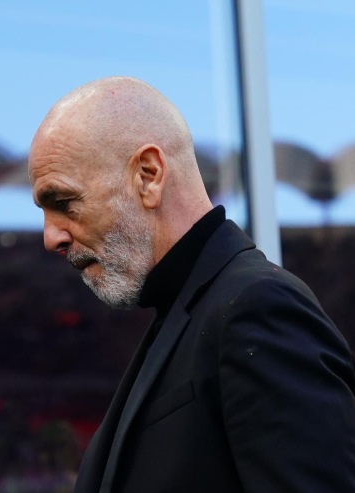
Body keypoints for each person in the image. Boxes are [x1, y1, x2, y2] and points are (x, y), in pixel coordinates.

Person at [28, 76, 355, 493]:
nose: (50, 237)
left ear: (149, 175)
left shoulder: (257, 306)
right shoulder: (192, 309)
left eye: (63, 202)